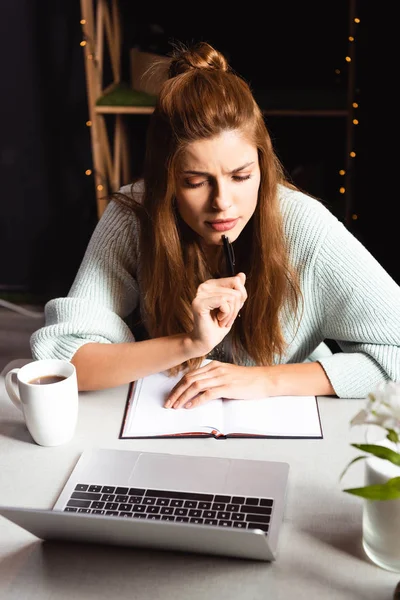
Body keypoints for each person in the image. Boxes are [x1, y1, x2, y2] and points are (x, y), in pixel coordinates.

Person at [31, 41, 400, 409]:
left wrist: (263, 380)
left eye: (241, 176)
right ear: (166, 180)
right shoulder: (134, 215)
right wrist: (191, 343)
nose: (222, 201)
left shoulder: (305, 225)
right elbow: (66, 356)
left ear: (262, 165)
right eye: (195, 181)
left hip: (283, 421)